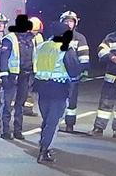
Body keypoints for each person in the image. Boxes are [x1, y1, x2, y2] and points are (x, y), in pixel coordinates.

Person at [32, 22, 82, 163]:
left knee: (47, 119)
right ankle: (45, 150)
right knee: (53, 122)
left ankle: (43, 144)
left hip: (41, 88)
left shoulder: (42, 46)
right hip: (58, 88)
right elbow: (74, 70)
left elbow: (34, 64)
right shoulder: (66, 48)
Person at [0, 14, 36, 140]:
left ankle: (18, 131)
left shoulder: (32, 39)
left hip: (25, 76)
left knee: (20, 105)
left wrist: (35, 74)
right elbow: (3, 58)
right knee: (7, 105)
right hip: (11, 75)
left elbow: (34, 57)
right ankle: (5, 130)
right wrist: (4, 75)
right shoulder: (9, 38)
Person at [59, 10, 91, 132]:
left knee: (71, 101)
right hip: (58, 74)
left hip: (73, 75)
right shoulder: (56, 36)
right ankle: (55, 121)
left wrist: (83, 71)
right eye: (66, 21)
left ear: (75, 23)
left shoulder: (79, 38)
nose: (68, 23)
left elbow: (84, 57)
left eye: (70, 21)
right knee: (57, 99)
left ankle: (69, 124)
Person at [24, 17, 45, 118]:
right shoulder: (26, 37)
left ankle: (28, 108)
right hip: (27, 66)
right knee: (25, 87)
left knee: (31, 89)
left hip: (36, 67)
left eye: (36, 30)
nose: (34, 32)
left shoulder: (39, 37)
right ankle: (22, 107)